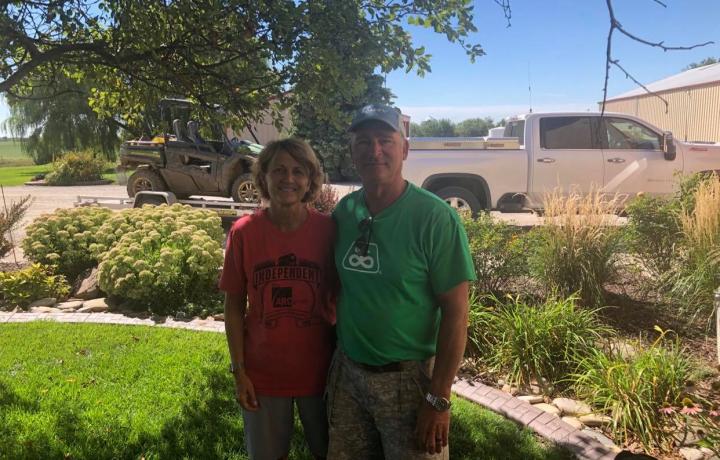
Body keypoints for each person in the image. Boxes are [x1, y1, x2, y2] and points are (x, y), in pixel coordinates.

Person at [327, 104, 476, 459]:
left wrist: (438, 398)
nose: (374, 150)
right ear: (352, 152)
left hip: (409, 382)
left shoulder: (435, 219)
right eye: (363, 142)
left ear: (405, 149)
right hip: (348, 376)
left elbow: (457, 313)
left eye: (385, 140)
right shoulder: (345, 213)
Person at [219, 138, 335, 460]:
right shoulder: (244, 233)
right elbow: (232, 308)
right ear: (264, 177)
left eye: (299, 171)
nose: (289, 179)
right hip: (262, 376)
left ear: (310, 180)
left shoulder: (329, 231)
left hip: (322, 374)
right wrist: (239, 371)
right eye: (279, 170)